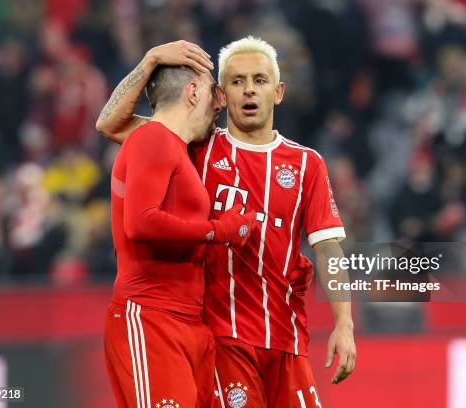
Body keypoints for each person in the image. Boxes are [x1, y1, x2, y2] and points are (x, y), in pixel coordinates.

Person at [97, 38, 356, 407]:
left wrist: (343, 324)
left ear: (278, 92)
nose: (249, 89)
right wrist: (150, 60)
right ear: (220, 93)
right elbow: (110, 123)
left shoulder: (307, 163)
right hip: (223, 340)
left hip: (288, 338)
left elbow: (329, 248)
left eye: (260, 80)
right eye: (237, 81)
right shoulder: (193, 146)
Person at [103, 41, 256, 408]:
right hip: (151, 314)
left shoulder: (177, 146)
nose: (219, 102)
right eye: (211, 92)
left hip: (189, 321)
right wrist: (151, 58)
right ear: (192, 92)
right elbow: (140, 223)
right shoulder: (153, 137)